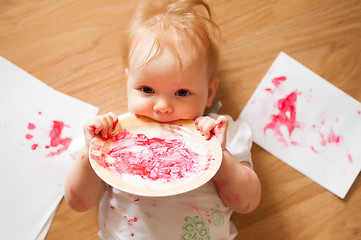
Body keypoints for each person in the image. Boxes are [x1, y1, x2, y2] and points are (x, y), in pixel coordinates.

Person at [64, 0, 261, 239]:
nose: (162, 107)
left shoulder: (220, 133)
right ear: (128, 82)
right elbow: (79, 203)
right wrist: (91, 150)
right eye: (146, 89)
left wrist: (221, 155)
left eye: (182, 93)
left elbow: (247, 204)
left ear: (210, 92)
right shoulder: (112, 135)